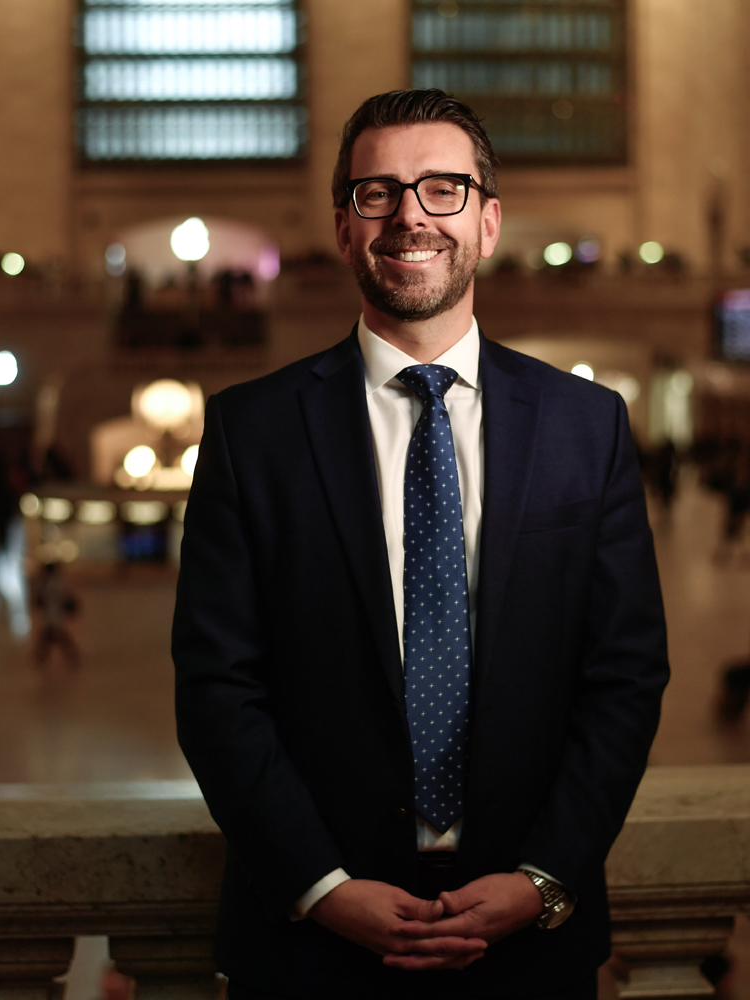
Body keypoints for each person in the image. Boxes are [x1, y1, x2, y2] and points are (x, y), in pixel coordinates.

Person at [173, 90, 669, 1000]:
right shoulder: (252, 431)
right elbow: (217, 687)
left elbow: (625, 677)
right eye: (379, 192)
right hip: (313, 948)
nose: (410, 214)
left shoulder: (585, 425)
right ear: (343, 228)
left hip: (529, 943)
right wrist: (321, 888)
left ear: (487, 223)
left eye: (443, 189)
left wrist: (544, 878)